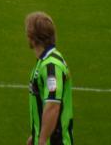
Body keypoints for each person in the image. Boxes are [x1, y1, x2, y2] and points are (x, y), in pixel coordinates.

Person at [25, 11, 74, 145]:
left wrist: (42, 140)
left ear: (32, 37)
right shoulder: (45, 62)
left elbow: (53, 105)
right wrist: (35, 135)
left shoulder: (51, 66)